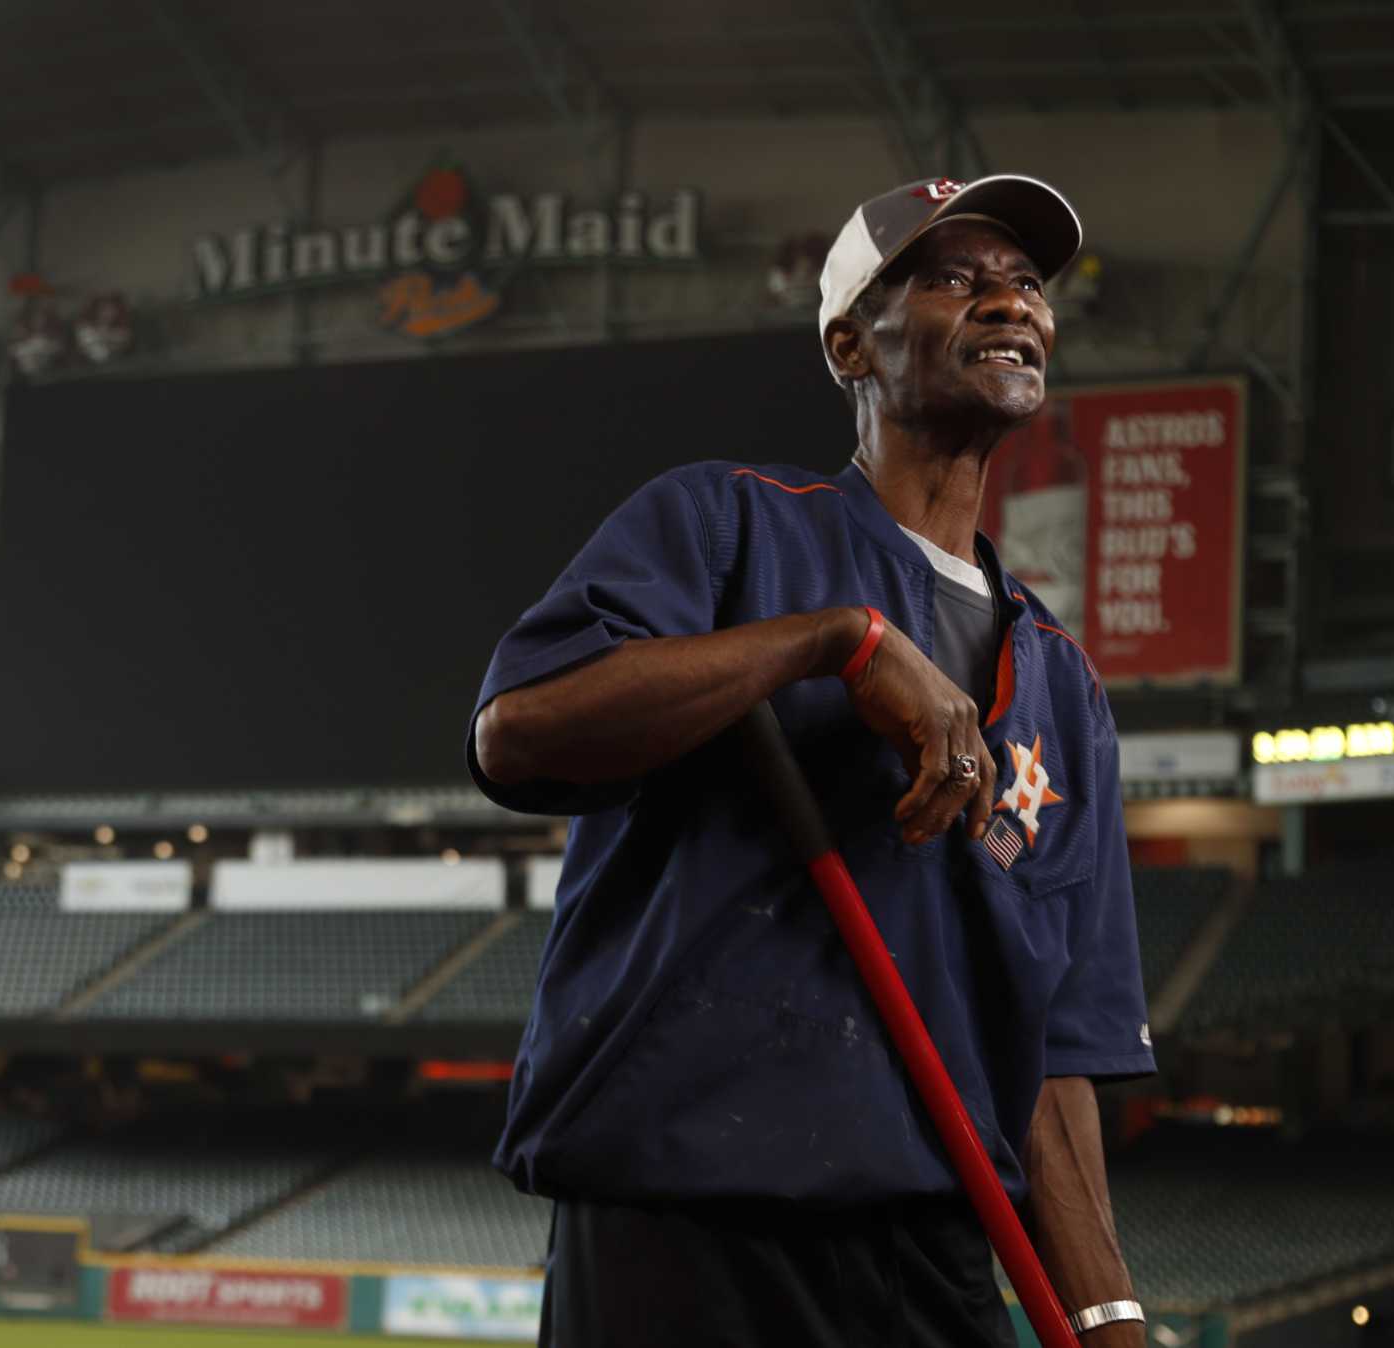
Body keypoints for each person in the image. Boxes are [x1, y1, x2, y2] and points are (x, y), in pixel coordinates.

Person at [468, 175, 1154, 1347]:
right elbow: (518, 733)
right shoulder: (723, 527)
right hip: (685, 1228)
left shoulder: (1062, 684)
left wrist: (1106, 1317)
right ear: (849, 344)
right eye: (950, 279)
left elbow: (1052, 1055)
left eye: (1024, 284)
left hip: (933, 1248)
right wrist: (832, 644)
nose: (1005, 304)